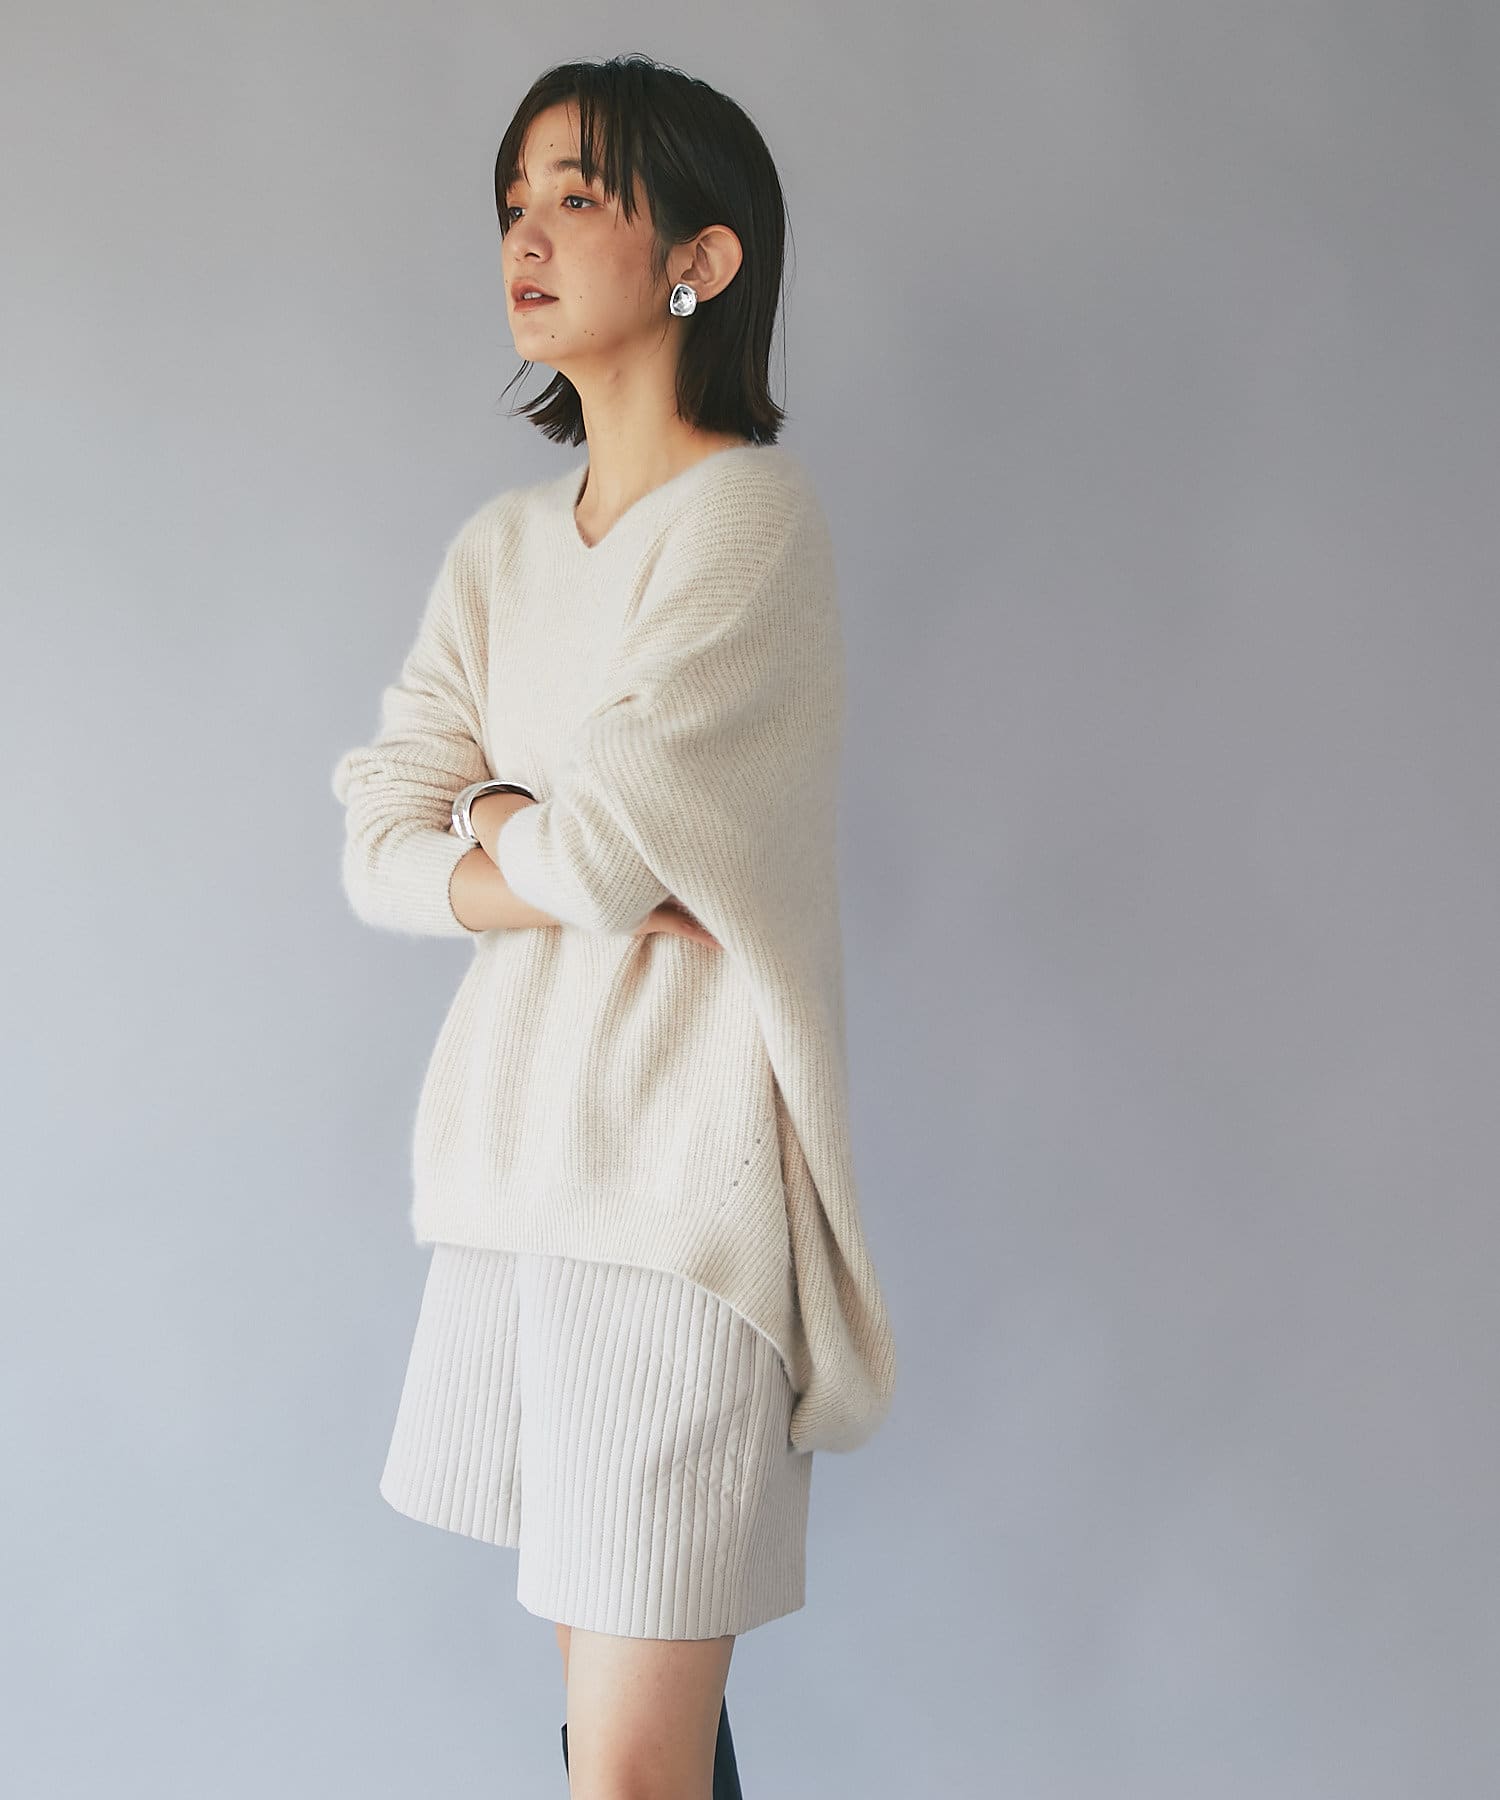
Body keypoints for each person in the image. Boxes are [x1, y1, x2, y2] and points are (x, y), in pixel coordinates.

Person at [330, 54, 896, 1799]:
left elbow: (590, 858)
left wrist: (496, 817)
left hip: (674, 1207)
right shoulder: (503, 551)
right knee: (622, 1750)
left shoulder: (749, 523)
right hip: (523, 1193)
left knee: (628, 1776)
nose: (528, 234)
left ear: (700, 260)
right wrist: (531, 836)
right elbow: (375, 843)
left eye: (579, 196)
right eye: (514, 200)